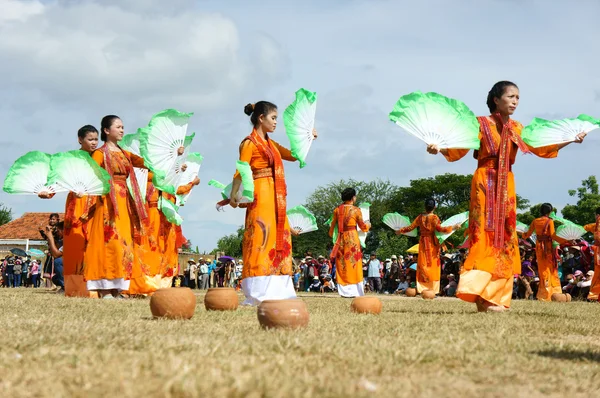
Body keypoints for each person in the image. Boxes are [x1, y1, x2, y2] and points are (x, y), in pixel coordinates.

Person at [426, 81, 586, 312]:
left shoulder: (517, 128)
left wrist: (570, 140)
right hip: (484, 181)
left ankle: (496, 298)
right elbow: (458, 148)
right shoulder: (480, 124)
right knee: (483, 235)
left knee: (505, 236)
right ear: (496, 99)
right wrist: (438, 148)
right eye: (511, 96)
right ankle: (481, 295)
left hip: (506, 184)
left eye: (518, 98)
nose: (515, 101)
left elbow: (540, 147)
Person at [228, 101, 317, 305]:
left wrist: (307, 138)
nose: (276, 122)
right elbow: (241, 169)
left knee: (280, 237)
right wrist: (234, 195)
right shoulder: (248, 143)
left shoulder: (272, 144)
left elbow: (293, 156)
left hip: (277, 197)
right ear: (261, 118)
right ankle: (258, 290)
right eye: (273, 118)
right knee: (261, 237)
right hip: (260, 195)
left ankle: (280, 289)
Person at [83, 115, 149, 298]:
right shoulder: (99, 154)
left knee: (123, 244)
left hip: (124, 201)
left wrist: (176, 155)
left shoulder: (125, 153)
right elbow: (89, 176)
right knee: (109, 243)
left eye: (123, 127)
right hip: (107, 202)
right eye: (118, 127)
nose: (122, 130)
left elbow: (146, 163)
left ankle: (117, 287)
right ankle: (104, 288)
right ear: (106, 130)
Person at [396, 198, 460, 295]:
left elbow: (410, 227)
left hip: (422, 243)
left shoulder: (420, 217)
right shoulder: (434, 218)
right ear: (435, 207)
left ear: (425, 207)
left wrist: (400, 230)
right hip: (432, 244)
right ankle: (432, 289)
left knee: (423, 265)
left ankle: (422, 288)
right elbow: (440, 229)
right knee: (433, 265)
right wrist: (453, 227)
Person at [329, 188, 371, 297]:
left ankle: (344, 290)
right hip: (352, 238)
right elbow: (363, 226)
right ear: (353, 197)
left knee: (342, 263)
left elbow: (332, 226)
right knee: (354, 263)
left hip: (341, 238)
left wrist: (333, 235)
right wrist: (368, 225)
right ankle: (355, 290)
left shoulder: (337, 210)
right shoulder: (356, 210)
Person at [522, 203, 569, 301]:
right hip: (547, 247)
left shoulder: (535, 221)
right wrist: (565, 241)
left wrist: (522, 235)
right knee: (550, 269)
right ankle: (552, 293)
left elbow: (528, 234)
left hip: (539, 247)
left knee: (542, 269)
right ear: (550, 211)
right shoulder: (550, 221)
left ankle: (543, 294)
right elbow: (552, 235)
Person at [583, 207, 600, 300]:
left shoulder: (596, 224)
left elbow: (584, 228)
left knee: (597, 274)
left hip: (598, 253)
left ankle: (594, 295)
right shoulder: (595, 225)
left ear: (597, 215)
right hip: (597, 252)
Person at [46, 221, 65, 292]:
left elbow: (56, 254)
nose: (57, 232)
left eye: (58, 230)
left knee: (58, 261)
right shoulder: (61, 240)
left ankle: (65, 286)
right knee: (55, 279)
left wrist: (50, 238)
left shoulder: (69, 239)